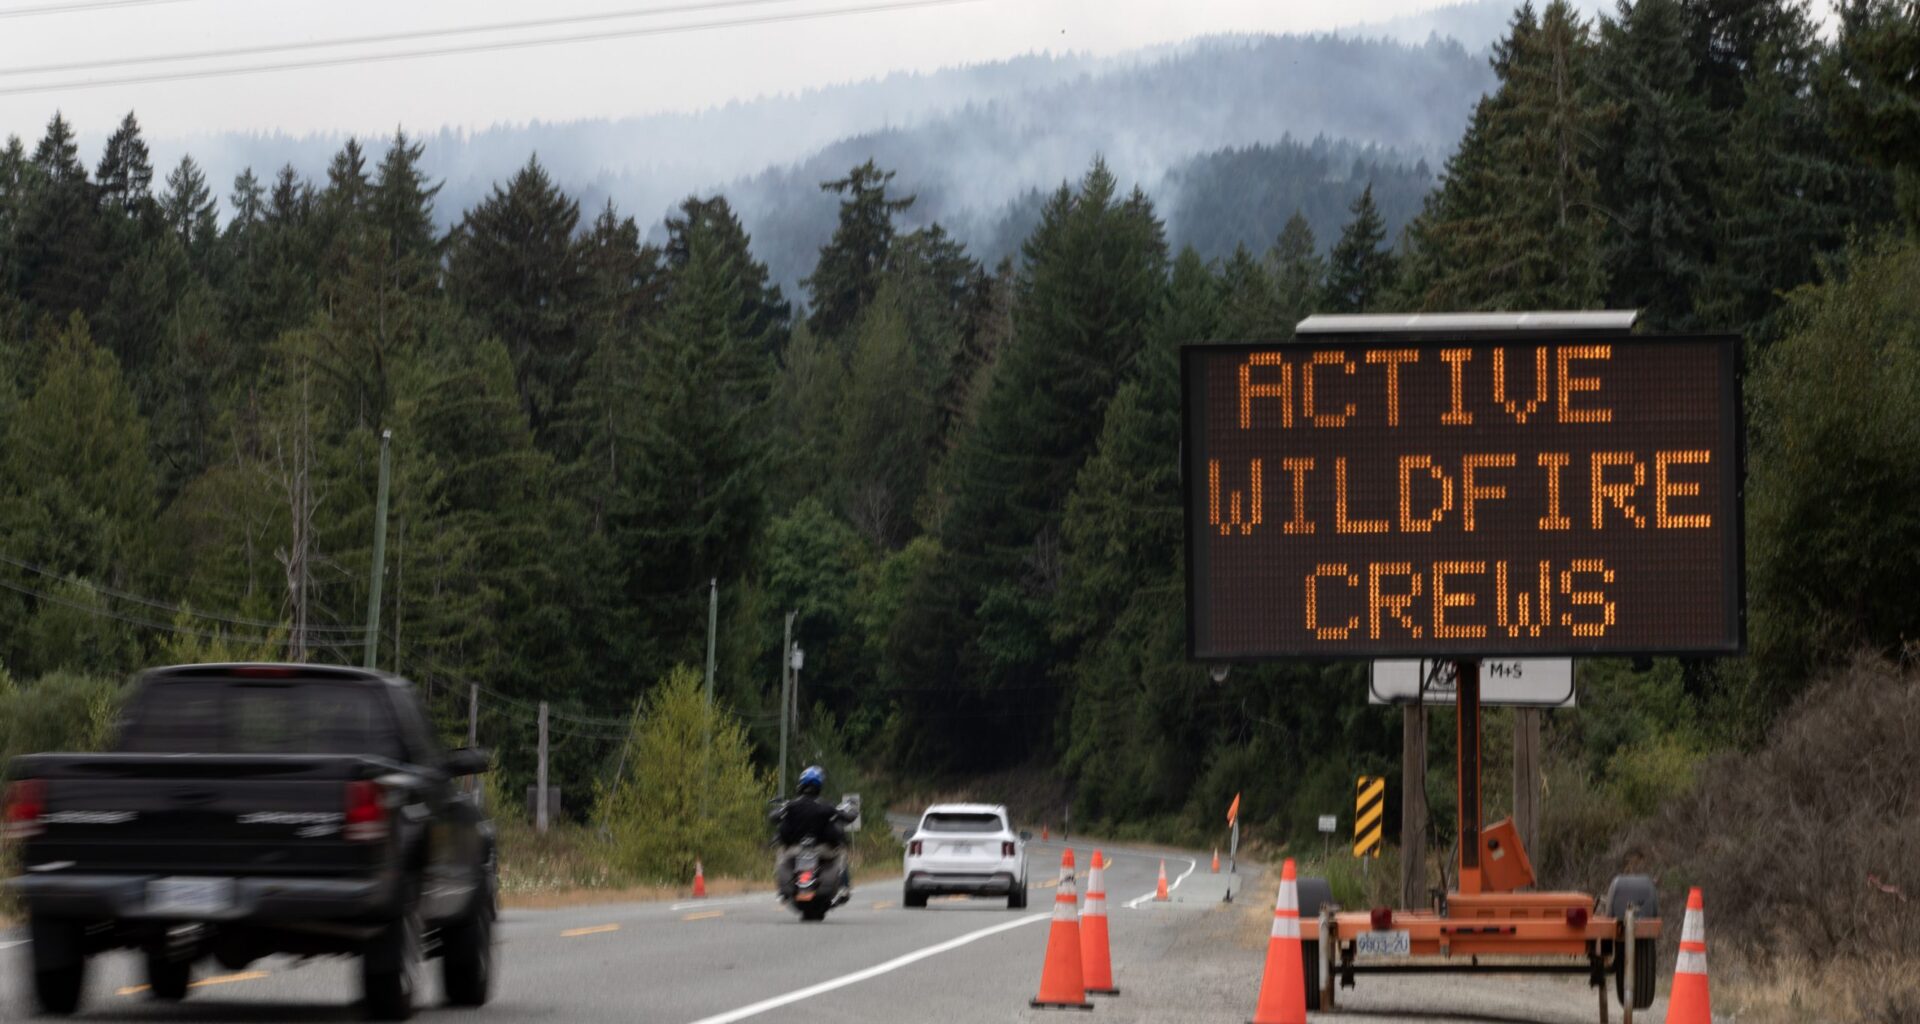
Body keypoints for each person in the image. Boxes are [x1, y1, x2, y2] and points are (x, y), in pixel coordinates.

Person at [771, 765, 856, 901]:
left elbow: (774, 817)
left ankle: (782, 890)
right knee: (841, 854)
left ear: (801, 785)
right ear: (819, 786)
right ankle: (844, 888)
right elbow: (847, 817)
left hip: (795, 849)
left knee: (781, 854)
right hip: (823, 849)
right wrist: (850, 812)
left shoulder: (791, 806)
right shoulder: (826, 806)